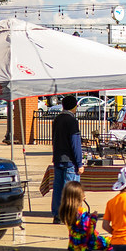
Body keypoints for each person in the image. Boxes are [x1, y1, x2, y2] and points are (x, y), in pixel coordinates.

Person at [51, 95, 84, 224]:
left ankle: (57, 215)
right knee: (70, 190)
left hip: (58, 158)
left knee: (58, 188)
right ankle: (70, 215)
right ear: (74, 106)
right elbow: (75, 144)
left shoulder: (57, 119)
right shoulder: (72, 121)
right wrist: (80, 163)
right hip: (70, 161)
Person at [58, 180, 110, 251]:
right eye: (82, 193)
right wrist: (93, 218)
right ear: (78, 196)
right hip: (86, 244)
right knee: (110, 242)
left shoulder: (67, 211)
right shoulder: (82, 212)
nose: (84, 195)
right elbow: (88, 231)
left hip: (74, 244)